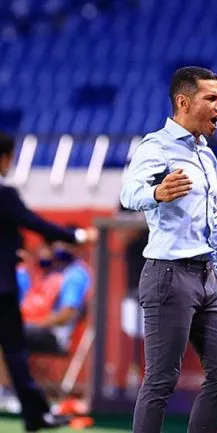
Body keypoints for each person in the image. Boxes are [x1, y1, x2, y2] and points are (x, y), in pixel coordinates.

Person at [120, 66, 217, 433]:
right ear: (183, 102)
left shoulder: (206, 155)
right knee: (161, 379)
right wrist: (156, 193)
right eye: (212, 98)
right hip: (168, 275)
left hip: (208, 278)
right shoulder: (156, 146)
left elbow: (213, 221)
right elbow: (127, 193)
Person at [0, 131, 97, 431]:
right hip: (2, 290)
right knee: (14, 351)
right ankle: (36, 414)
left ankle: (33, 411)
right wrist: (77, 235)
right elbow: (35, 223)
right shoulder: (5, 194)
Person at [22, 238, 91, 354]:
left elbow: (67, 315)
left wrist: (34, 324)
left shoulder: (75, 274)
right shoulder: (48, 272)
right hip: (32, 327)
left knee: (8, 334)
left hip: (54, 335)